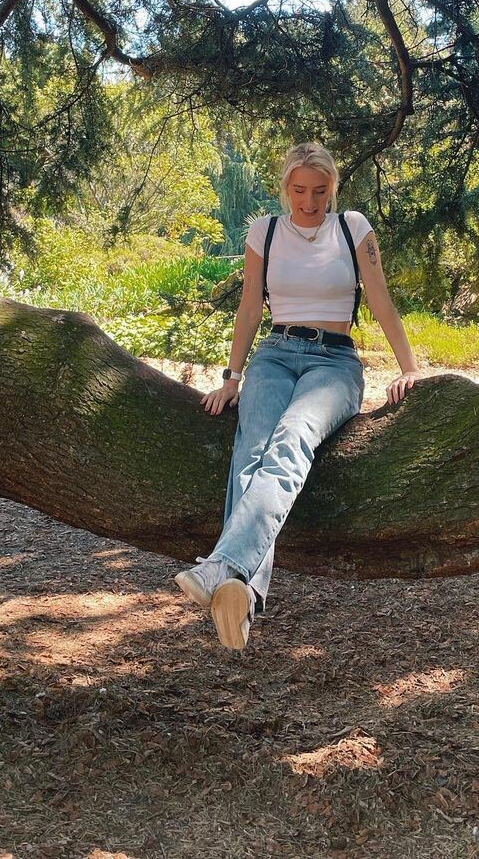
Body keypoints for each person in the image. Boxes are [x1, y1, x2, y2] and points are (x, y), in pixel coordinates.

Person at [175, 141, 421, 650]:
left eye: (320, 191)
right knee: (250, 450)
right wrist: (231, 377)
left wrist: (410, 368)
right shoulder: (264, 232)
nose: (309, 202)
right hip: (274, 355)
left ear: (333, 189)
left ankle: (222, 566)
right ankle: (240, 594)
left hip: (335, 363)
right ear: (285, 187)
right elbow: (249, 308)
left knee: (292, 438)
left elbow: (379, 298)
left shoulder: (352, 228)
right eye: (300, 190)